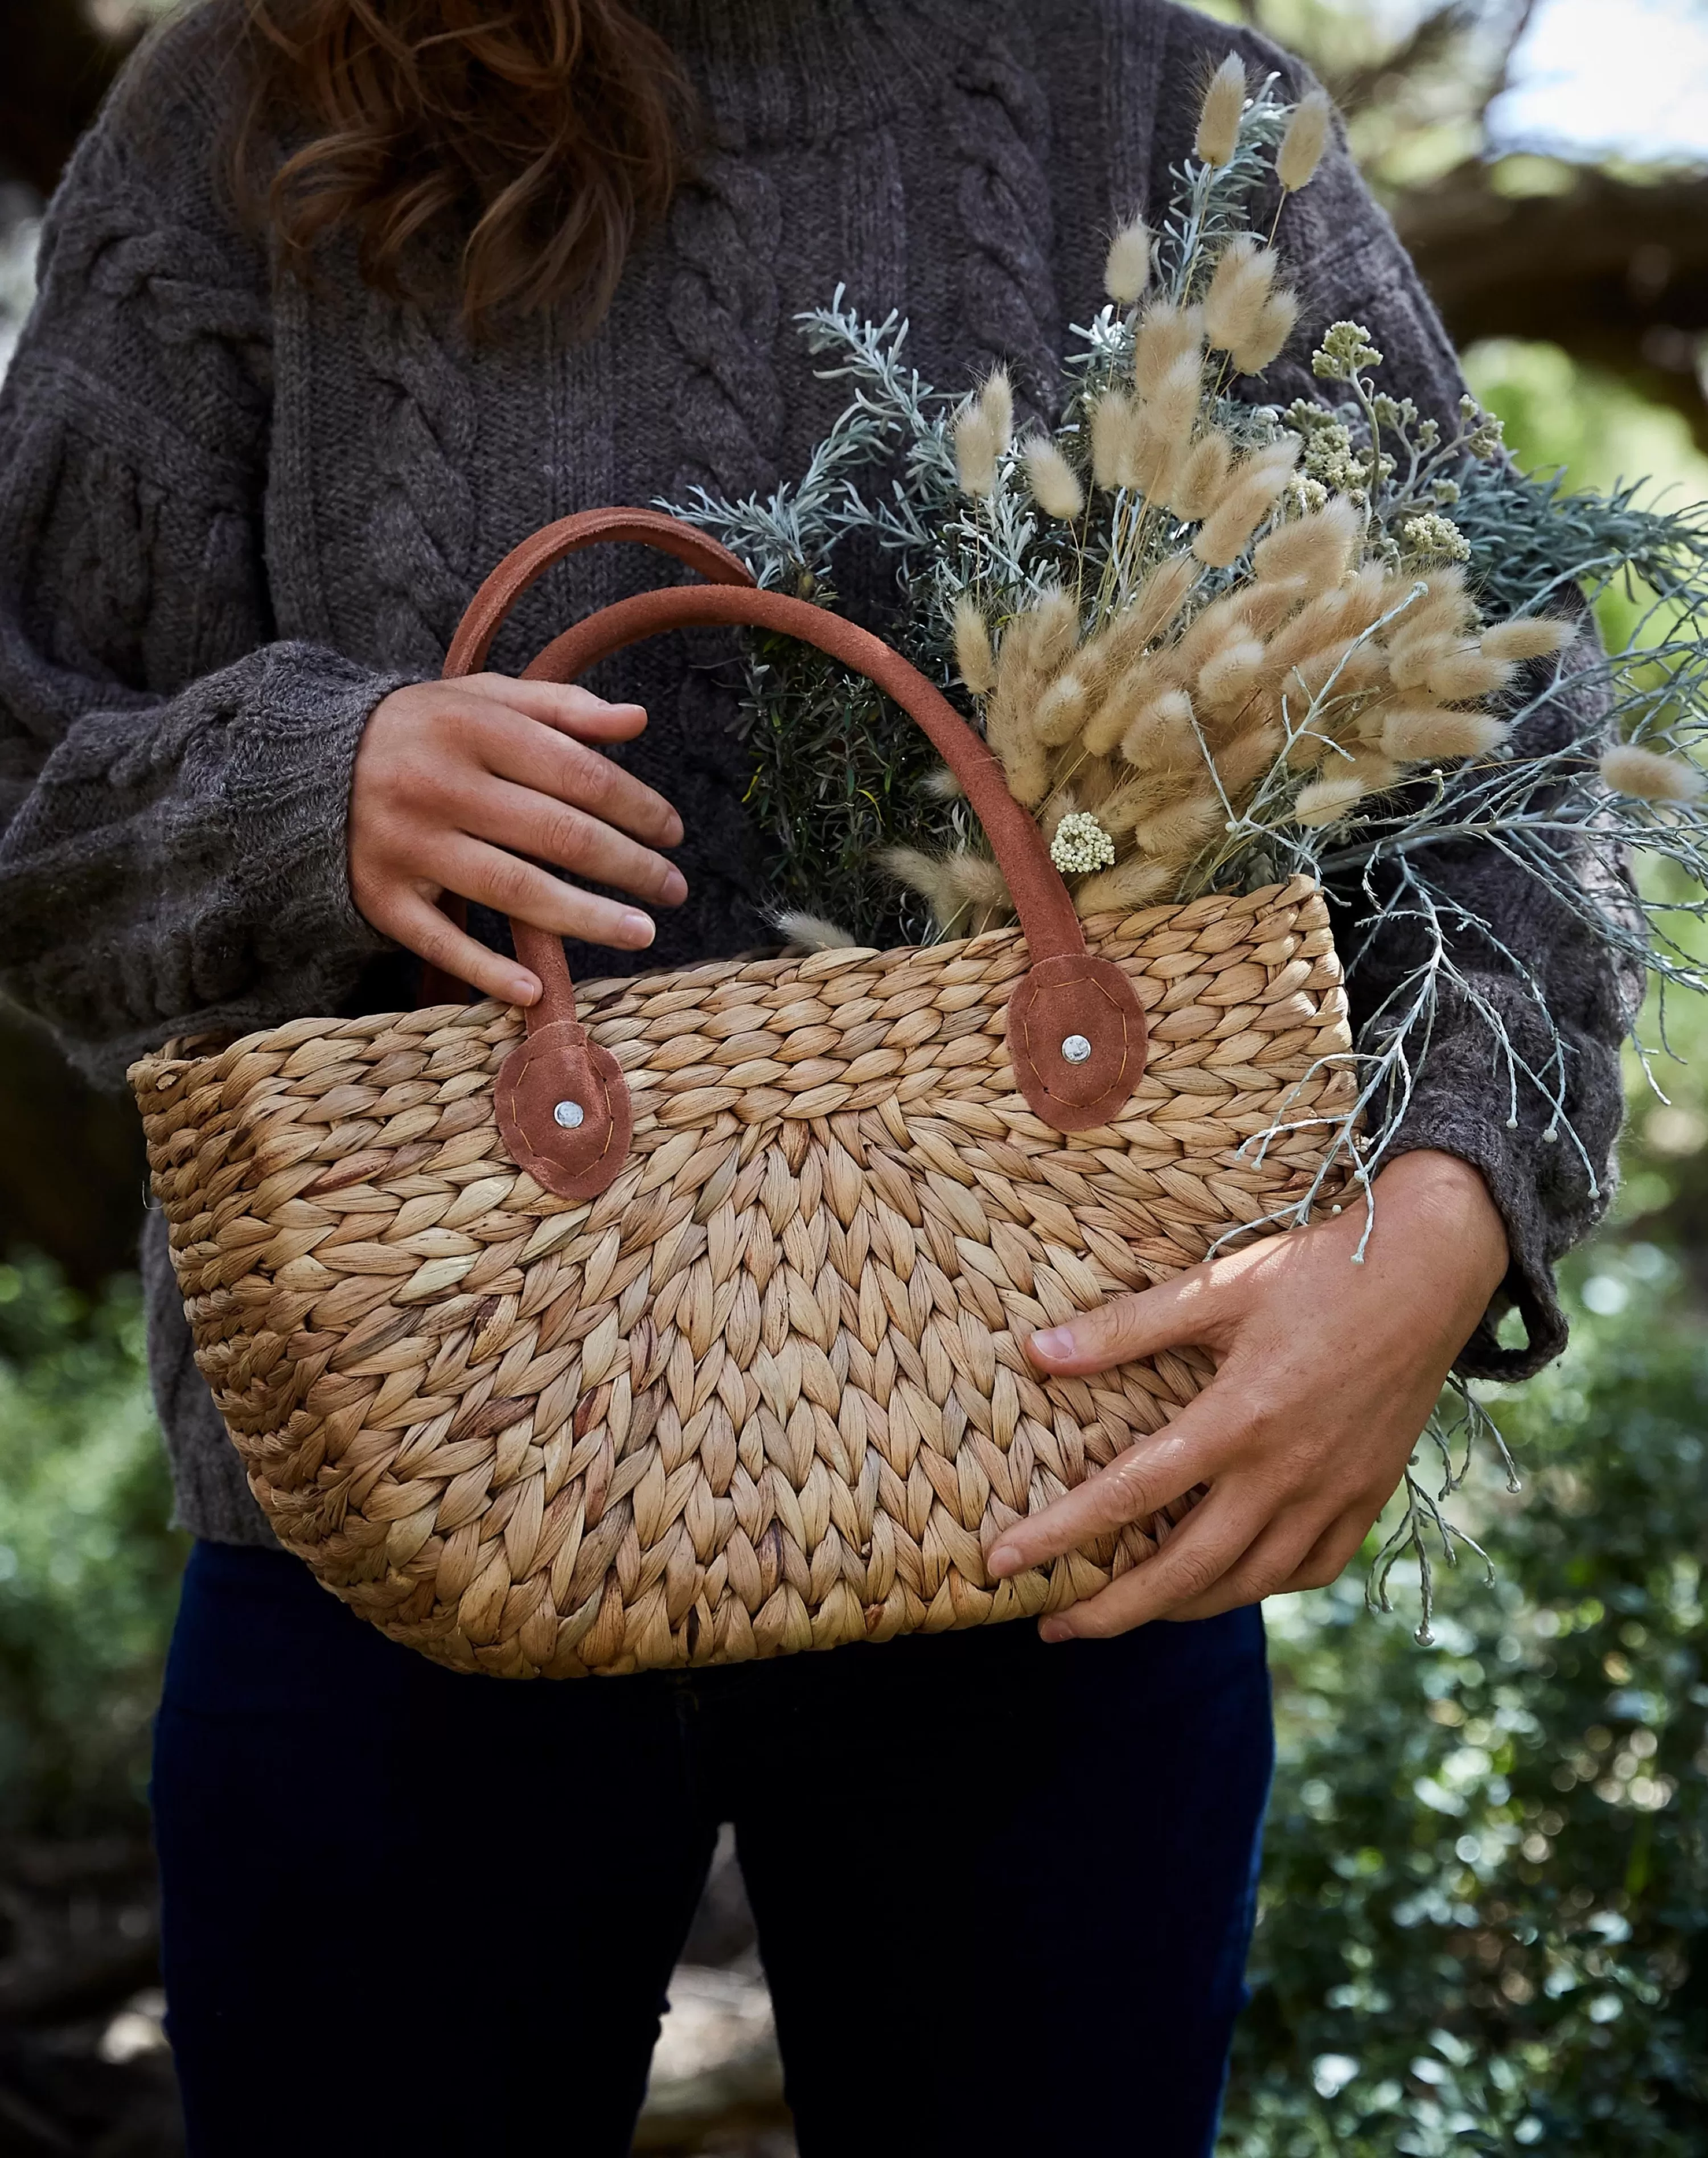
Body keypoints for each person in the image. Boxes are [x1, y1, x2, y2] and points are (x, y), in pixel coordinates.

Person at [0, 2, 1625, 2151]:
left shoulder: (1151, 101)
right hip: (382, 1535)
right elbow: (29, 781)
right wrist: (316, 789)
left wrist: (1443, 1224)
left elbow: (1505, 739)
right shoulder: (252, 105)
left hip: (1069, 1499)